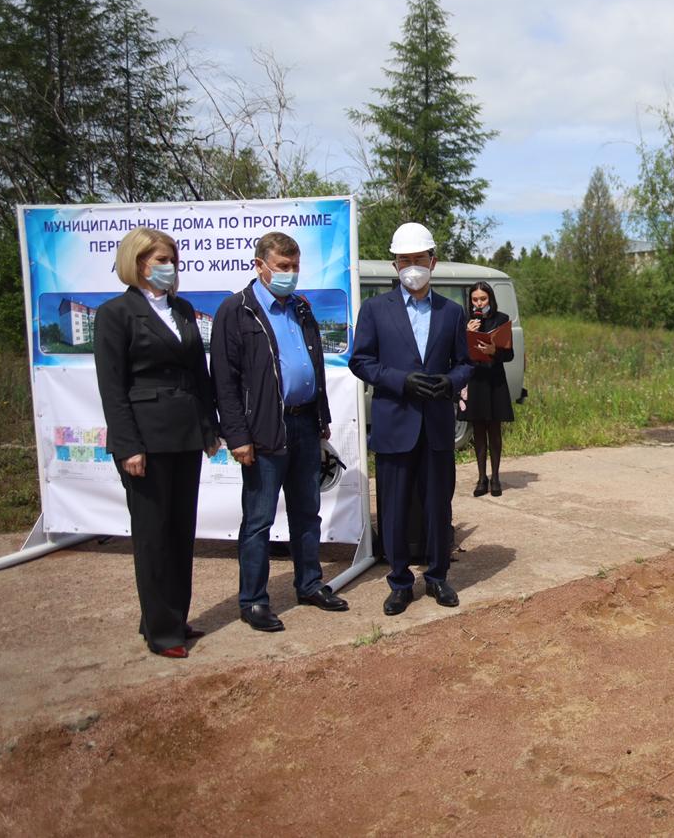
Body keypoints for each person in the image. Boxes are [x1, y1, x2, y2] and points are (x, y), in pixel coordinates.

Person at [210, 231, 349, 632]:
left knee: (308, 511)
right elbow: (225, 382)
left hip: (305, 423)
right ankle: (253, 601)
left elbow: (315, 366)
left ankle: (309, 584)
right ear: (261, 266)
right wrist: (236, 437)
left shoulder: (301, 308)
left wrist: (322, 417)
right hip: (264, 429)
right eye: (282, 267)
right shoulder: (236, 312)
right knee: (259, 519)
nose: (290, 274)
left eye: (295, 267)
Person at [94, 227, 220, 659]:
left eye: (172, 259)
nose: (168, 267)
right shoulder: (115, 313)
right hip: (145, 439)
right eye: (159, 260)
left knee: (181, 531)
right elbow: (112, 387)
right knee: (152, 535)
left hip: (185, 434)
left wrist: (209, 427)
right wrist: (128, 445)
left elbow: (197, 375)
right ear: (137, 263)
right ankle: (161, 633)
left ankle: (170, 616)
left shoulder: (182, 309)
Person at [350, 222, 472, 613]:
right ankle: (400, 581)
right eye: (405, 260)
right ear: (395, 264)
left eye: (419, 259)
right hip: (394, 423)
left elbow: (466, 364)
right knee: (395, 507)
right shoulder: (374, 310)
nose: (412, 267)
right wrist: (402, 381)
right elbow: (361, 361)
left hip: (436, 426)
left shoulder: (452, 312)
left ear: (433, 262)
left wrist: (449, 383)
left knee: (438, 505)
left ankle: (437, 577)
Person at [458, 281, 515, 496]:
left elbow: (509, 355)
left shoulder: (501, 319)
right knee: (478, 431)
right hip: (475, 381)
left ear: (490, 298)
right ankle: (481, 478)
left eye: (483, 299)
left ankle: (496, 478)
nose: (479, 303)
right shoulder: (465, 321)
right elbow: (456, 353)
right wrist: (465, 334)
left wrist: (494, 350)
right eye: (475, 299)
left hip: (495, 382)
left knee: (494, 431)